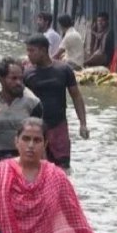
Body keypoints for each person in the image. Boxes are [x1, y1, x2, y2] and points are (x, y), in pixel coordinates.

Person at [0, 57, 43, 192]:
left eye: (20, 78)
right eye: (13, 78)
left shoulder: (33, 105)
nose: (19, 83)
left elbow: (40, 142)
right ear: (1, 79)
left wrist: (43, 174)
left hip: (26, 169)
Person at [23, 34, 89, 170]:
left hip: (59, 126)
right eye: (27, 51)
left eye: (32, 51)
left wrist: (83, 124)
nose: (28, 55)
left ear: (43, 50)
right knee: (38, 169)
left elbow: (76, 96)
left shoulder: (64, 70)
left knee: (63, 167)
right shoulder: (27, 74)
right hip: (36, 129)